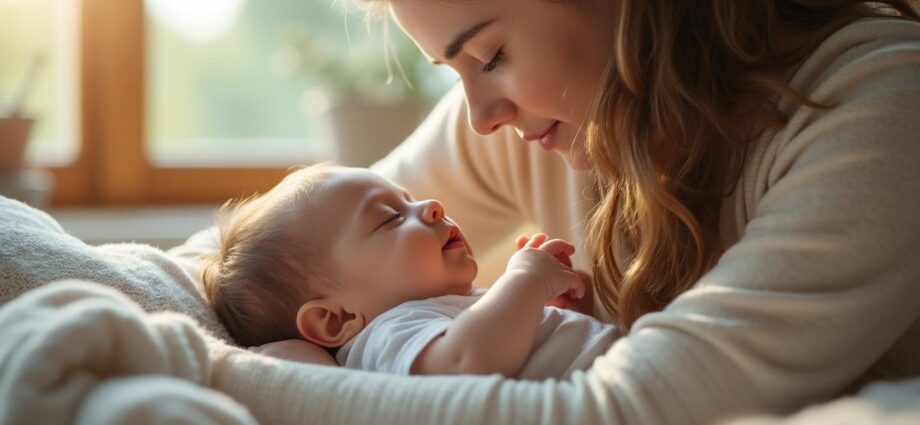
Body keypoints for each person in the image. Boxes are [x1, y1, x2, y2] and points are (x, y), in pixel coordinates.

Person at [204, 1, 920, 423]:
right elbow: (267, 261)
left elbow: (618, 412)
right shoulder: (545, 116)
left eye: (489, 56)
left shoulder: (878, 111)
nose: (479, 117)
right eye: (453, 74)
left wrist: (225, 376)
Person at [201, 165, 620, 379]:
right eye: (391, 219)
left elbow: (498, 348)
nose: (432, 205)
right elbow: (465, 362)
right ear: (337, 319)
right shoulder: (387, 335)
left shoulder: (435, 312)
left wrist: (552, 314)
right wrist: (525, 281)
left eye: (410, 199)